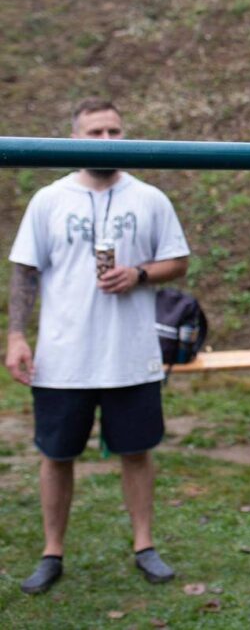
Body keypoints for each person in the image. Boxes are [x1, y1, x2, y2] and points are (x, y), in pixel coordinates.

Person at [5, 99, 191, 595]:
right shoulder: (49, 199)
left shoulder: (150, 197)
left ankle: (144, 545)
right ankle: (51, 552)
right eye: (95, 133)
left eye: (115, 131)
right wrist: (18, 335)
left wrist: (140, 273)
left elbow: (178, 261)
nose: (107, 140)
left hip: (131, 355)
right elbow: (25, 269)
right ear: (74, 139)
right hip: (63, 358)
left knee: (136, 452)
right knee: (56, 455)